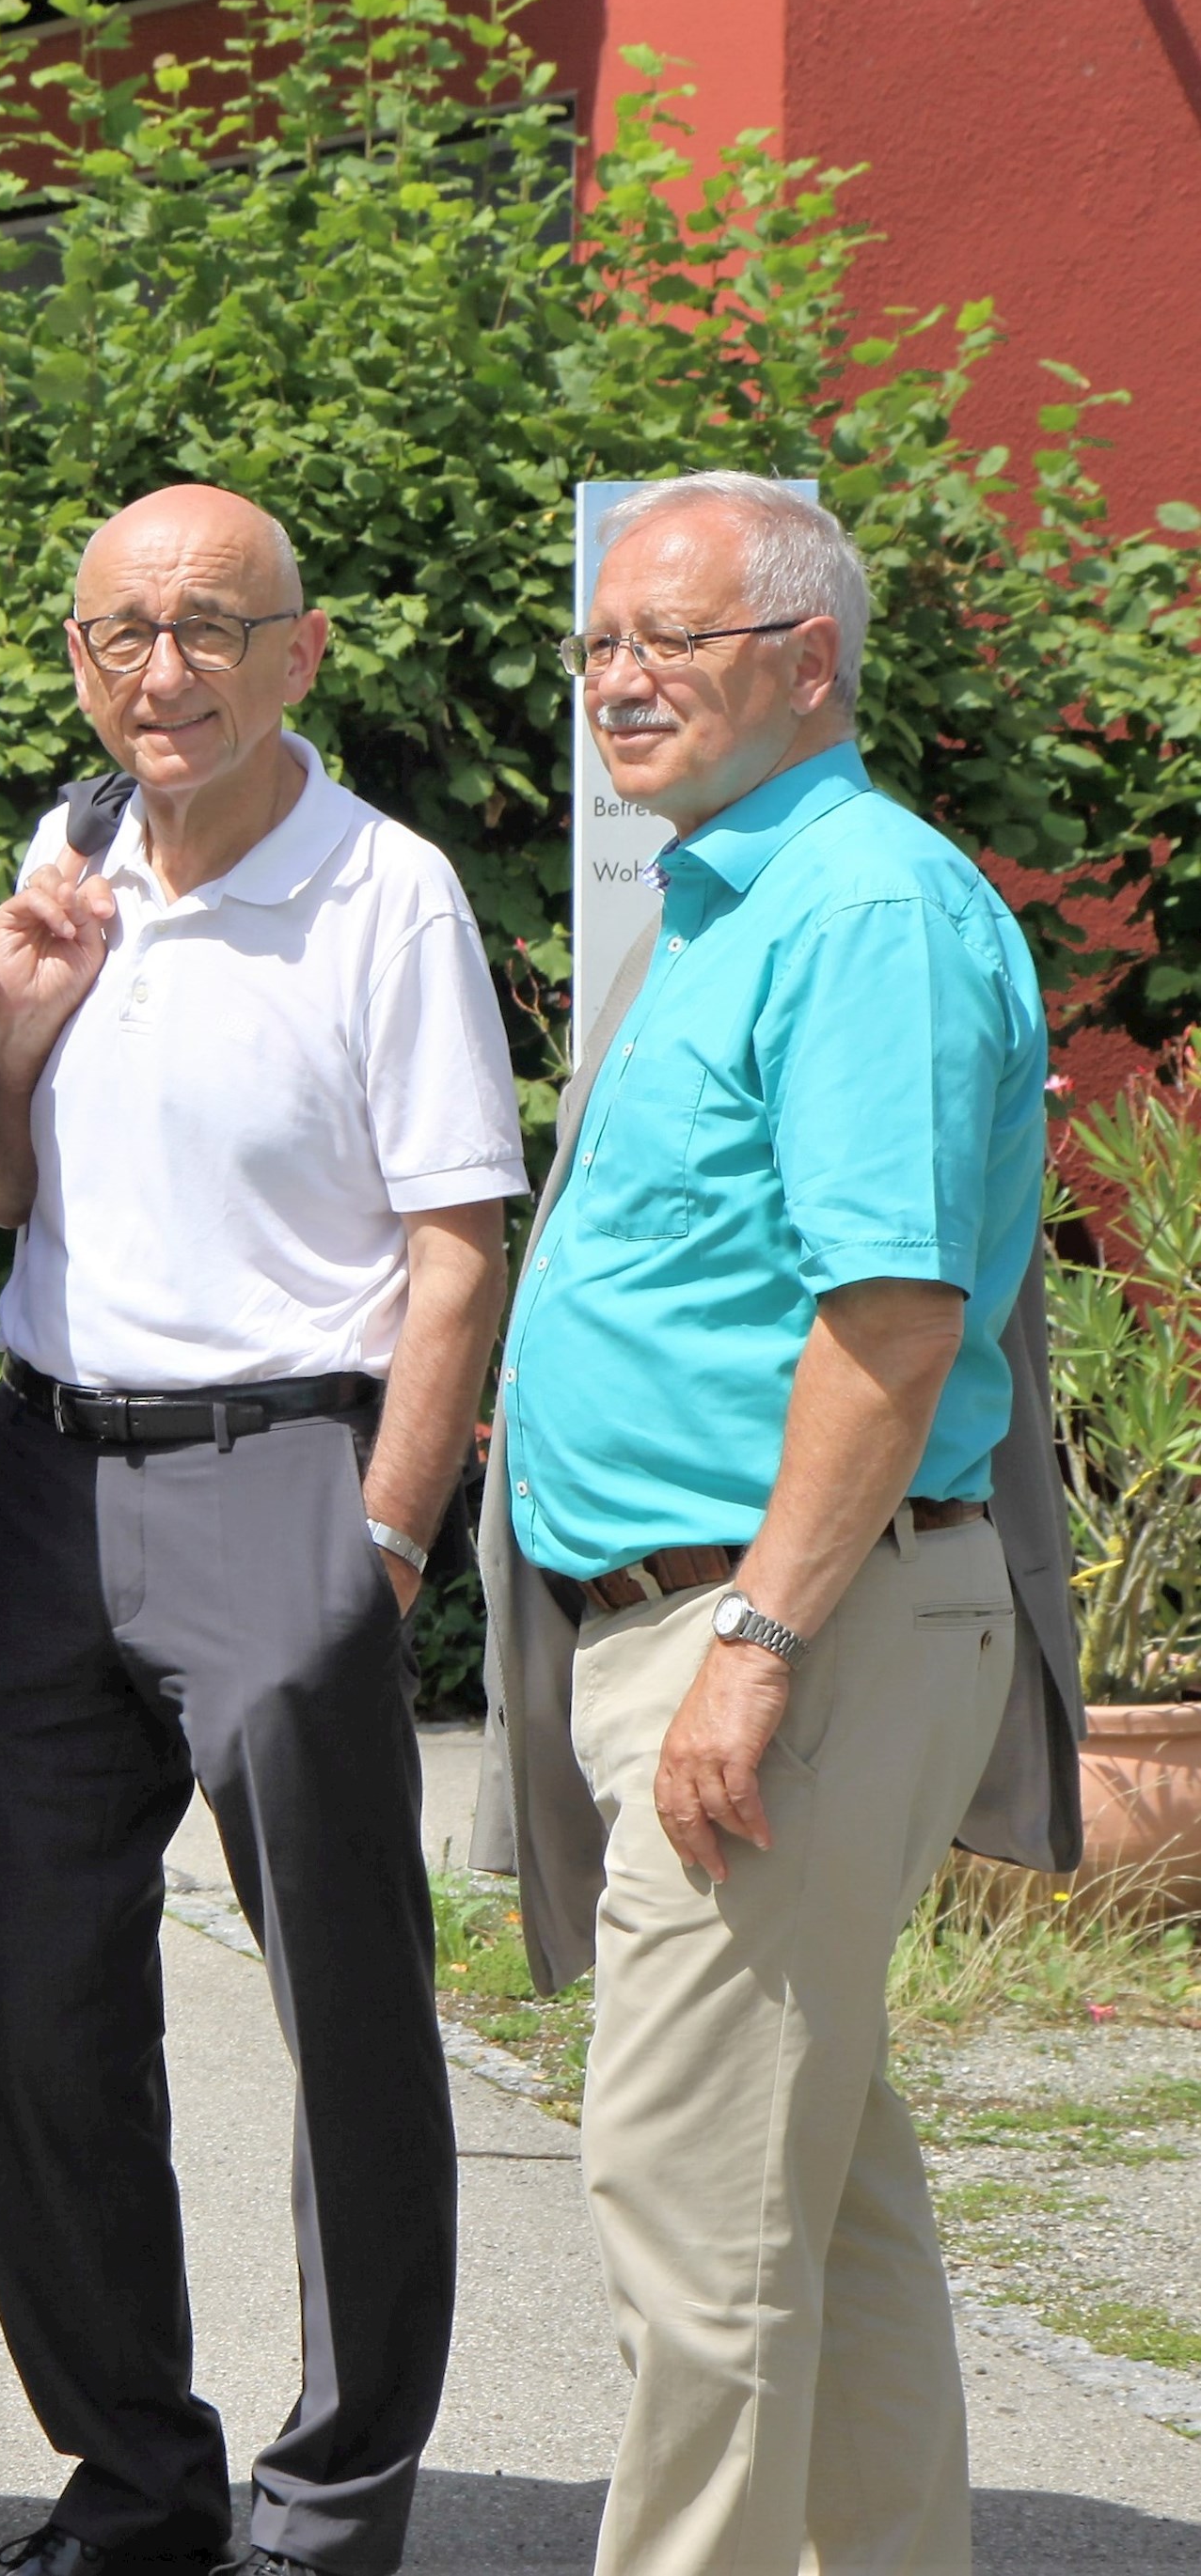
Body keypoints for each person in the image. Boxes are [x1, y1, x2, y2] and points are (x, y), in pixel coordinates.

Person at [0, 484, 525, 2576]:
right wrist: (15, 1013)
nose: (155, 671)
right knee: (28, 2001)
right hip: (40, 1466)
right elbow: (2, 1192)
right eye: (114, 632)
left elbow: (459, 1247)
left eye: (203, 627)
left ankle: (333, 2490)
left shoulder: (384, 892)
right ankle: (132, 2471)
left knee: (346, 2012)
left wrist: (375, 1539)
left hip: (284, 1469)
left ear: (298, 650)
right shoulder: (64, 854)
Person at [475, 474, 1053, 2576]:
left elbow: (888, 1321)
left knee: (690, 2210)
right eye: (596, 644)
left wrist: (754, 1641)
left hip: (779, 1627)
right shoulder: (737, 892)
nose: (616, 677)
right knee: (818, 2189)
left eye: (670, 641)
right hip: (727, 1620)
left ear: (804, 663)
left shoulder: (857, 913)